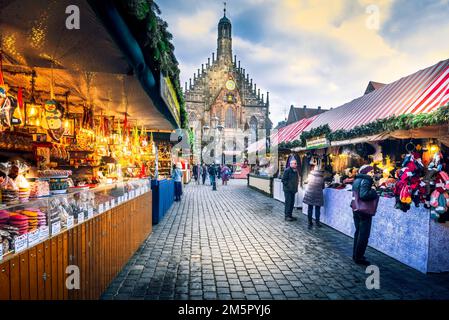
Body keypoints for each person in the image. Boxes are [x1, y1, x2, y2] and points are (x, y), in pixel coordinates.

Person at [352, 165, 379, 266]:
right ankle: (359, 257)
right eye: (371, 172)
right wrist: (374, 191)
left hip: (356, 209)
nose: (372, 173)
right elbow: (364, 195)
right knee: (363, 235)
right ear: (366, 172)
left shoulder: (357, 180)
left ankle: (355, 255)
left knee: (358, 232)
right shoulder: (366, 180)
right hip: (364, 211)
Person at [303, 164, 325, 229]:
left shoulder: (310, 176)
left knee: (310, 208)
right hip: (318, 195)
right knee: (317, 209)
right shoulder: (322, 178)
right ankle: (317, 223)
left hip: (310, 194)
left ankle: (310, 222)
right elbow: (323, 187)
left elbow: (305, 182)